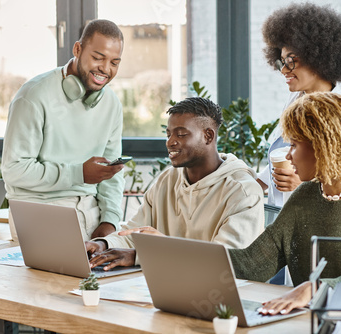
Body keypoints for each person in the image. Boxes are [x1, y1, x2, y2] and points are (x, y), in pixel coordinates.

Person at [229, 92, 341, 315]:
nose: (289, 156)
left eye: (294, 145)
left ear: (322, 146)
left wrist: (316, 288)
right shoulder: (305, 194)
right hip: (305, 321)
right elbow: (252, 264)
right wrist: (190, 253)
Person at [86, 97, 264, 270]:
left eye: (181, 134)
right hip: (163, 285)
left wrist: (140, 256)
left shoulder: (243, 191)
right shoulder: (167, 180)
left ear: (208, 136)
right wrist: (103, 243)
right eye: (169, 134)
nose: (170, 142)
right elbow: (133, 233)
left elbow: (224, 261)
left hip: (220, 295)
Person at [2, 19, 125, 241]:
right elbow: (14, 170)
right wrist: (78, 174)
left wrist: (110, 221)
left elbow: (111, 174)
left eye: (114, 62)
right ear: (77, 49)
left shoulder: (112, 103)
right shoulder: (33, 96)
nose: (105, 69)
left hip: (91, 213)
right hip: (39, 213)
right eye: (98, 58)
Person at [256, 3, 341, 207]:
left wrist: (304, 186)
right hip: (284, 220)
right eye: (281, 62)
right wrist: (251, 185)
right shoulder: (298, 101)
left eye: (291, 61)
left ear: (319, 57)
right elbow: (284, 159)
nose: (284, 71)